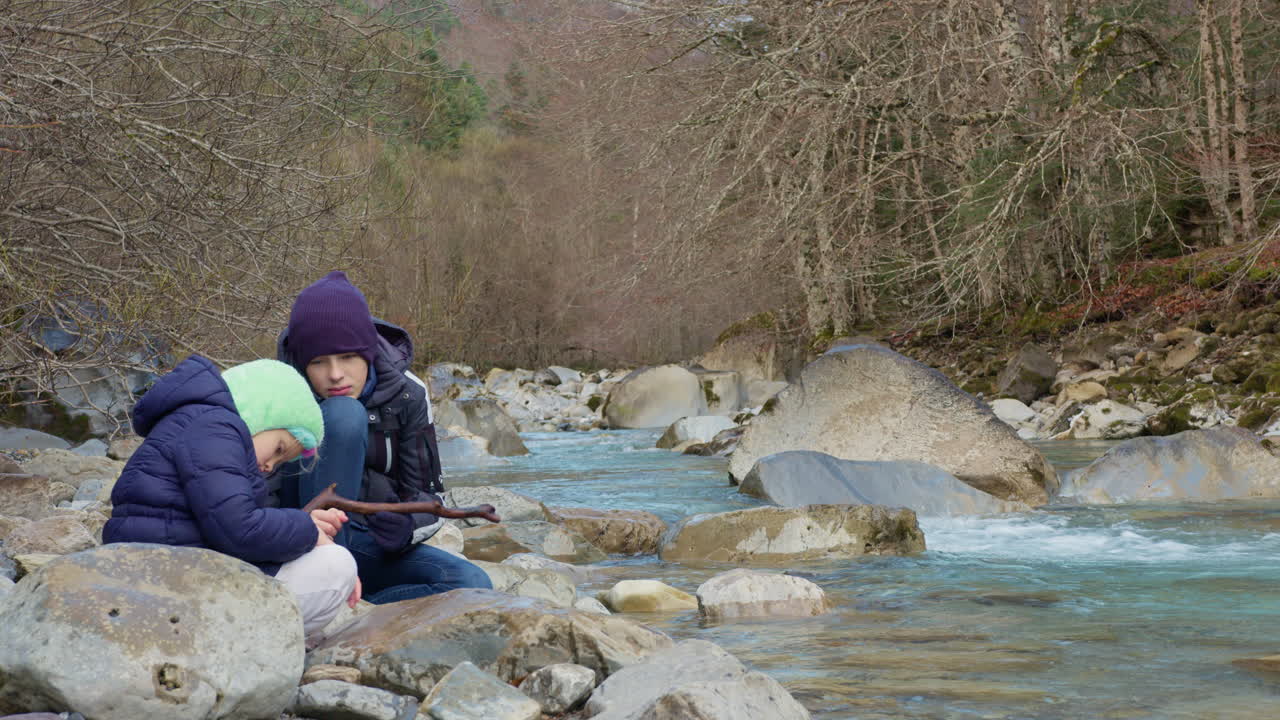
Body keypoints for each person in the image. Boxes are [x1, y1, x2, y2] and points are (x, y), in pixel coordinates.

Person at [104, 355, 358, 642]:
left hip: (162, 575)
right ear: (260, 412)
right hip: (169, 589)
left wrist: (304, 531)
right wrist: (307, 530)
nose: (269, 466)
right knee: (336, 565)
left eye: (279, 463)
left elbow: (227, 525)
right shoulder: (217, 427)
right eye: (278, 449)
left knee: (324, 559)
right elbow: (239, 529)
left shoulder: (199, 423)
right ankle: (249, 650)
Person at [276, 270, 492, 603]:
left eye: (348, 357)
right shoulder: (276, 394)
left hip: (367, 542)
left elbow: (428, 495)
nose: (335, 374)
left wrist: (407, 527)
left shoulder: (409, 394)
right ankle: (326, 586)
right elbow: (253, 502)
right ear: (304, 365)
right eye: (318, 362)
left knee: (471, 583)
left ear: (367, 353)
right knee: (344, 413)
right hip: (299, 544)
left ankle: (351, 610)